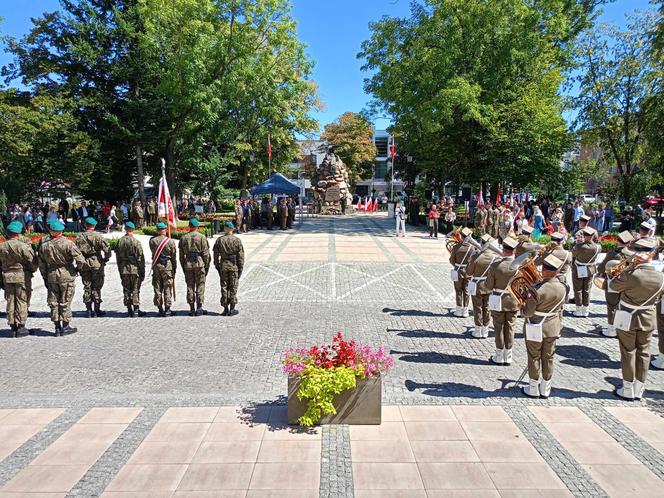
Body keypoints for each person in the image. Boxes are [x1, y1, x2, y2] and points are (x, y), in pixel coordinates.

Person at [610, 237, 664, 400]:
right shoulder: (660, 277)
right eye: (638, 250)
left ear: (652, 253)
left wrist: (628, 269)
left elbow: (613, 286)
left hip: (627, 316)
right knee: (644, 352)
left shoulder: (630, 274)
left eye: (642, 251)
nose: (639, 254)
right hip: (647, 317)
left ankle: (627, 388)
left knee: (628, 351)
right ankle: (639, 388)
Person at [521, 254, 568, 398]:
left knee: (534, 356)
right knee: (548, 357)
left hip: (535, 325)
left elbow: (527, 312)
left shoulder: (536, 289)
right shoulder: (563, 287)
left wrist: (521, 306)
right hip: (553, 326)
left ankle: (533, 387)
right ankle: (546, 388)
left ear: (545, 271)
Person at [38, 220, 86, 336]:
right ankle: (65, 326)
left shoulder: (44, 246)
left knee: (53, 301)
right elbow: (81, 260)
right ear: (61, 230)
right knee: (65, 300)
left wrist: (45, 276)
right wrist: (77, 270)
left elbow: (41, 264)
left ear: (51, 231)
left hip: (51, 275)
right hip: (66, 274)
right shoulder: (68, 244)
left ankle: (57, 327)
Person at [486, 236, 519, 364]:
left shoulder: (495, 265)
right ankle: (508, 355)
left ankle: (499, 355)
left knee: (498, 327)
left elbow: (489, 286)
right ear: (514, 251)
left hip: (498, 299)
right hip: (514, 300)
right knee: (510, 327)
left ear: (503, 249)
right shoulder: (520, 266)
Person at [0, 221, 37, 337]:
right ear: (18, 233)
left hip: (7, 275)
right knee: (21, 300)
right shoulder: (23, 246)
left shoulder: (2, 246)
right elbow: (33, 261)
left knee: (10, 299)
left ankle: (12, 325)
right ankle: (21, 327)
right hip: (21, 275)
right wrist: (32, 270)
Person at [598, 231, 634, 337]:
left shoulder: (612, 253)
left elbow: (601, 268)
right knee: (622, 306)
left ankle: (611, 330)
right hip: (626, 283)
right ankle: (621, 328)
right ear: (629, 243)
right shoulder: (632, 254)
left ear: (617, 241)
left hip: (612, 282)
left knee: (612, 306)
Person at [75, 217, 111, 317]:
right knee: (97, 286)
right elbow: (107, 249)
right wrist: (105, 259)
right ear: (94, 226)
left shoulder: (79, 237)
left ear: (85, 225)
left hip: (84, 263)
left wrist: (78, 264)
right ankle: (97, 309)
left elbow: (75, 252)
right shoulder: (98, 236)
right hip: (96, 262)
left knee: (87, 286)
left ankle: (88, 310)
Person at [467, 234, 500, 338]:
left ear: (481, 243)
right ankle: (485, 330)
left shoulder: (475, 257)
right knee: (487, 308)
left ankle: (478, 330)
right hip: (489, 286)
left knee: (477, 308)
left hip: (477, 285)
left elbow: (469, 272)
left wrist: (469, 262)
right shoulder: (495, 258)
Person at [178, 218, 211, 316]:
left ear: (189, 226)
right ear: (197, 227)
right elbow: (206, 254)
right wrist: (206, 266)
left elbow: (181, 256)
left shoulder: (183, 238)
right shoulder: (202, 237)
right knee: (200, 284)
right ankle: (199, 307)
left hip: (188, 264)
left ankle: (192, 308)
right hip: (199, 263)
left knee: (190, 285)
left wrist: (183, 266)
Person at [214, 221, 245, 316]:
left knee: (224, 287)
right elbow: (241, 257)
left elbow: (215, 255)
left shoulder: (220, 240)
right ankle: (232, 308)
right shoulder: (237, 240)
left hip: (223, 265)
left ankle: (225, 308)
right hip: (234, 266)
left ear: (225, 229)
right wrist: (240, 268)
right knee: (233, 287)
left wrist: (217, 266)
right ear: (232, 229)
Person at [116, 221, 146, 317]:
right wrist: (142, 270)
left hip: (124, 268)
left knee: (126, 289)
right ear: (133, 229)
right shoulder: (136, 242)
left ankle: (129, 309)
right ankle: (136, 310)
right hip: (134, 269)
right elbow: (140, 258)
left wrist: (120, 269)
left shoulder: (120, 241)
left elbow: (118, 258)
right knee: (135, 289)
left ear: (125, 229)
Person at [571, 227, 600, 317]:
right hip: (590, 269)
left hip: (578, 268)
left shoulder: (579, 246)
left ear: (583, 235)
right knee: (587, 289)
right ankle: (585, 309)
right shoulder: (598, 247)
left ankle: (578, 309)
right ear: (592, 236)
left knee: (578, 289)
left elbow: (573, 254)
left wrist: (577, 243)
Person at [149, 221, 177, 317]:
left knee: (157, 287)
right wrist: (174, 267)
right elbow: (173, 255)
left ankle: (160, 308)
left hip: (157, 265)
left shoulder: (152, 241)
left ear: (157, 230)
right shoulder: (170, 241)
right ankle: (168, 309)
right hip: (167, 266)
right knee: (167, 287)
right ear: (165, 230)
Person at [449, 227, 474, 317]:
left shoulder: (456, 247)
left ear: (461, 237)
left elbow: (451, 260)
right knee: (466, 291)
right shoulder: (473, 248)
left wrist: (457, 265)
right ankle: (465, 310)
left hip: (458, 271)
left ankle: (459, 310)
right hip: (468, 271)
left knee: (458, 290)